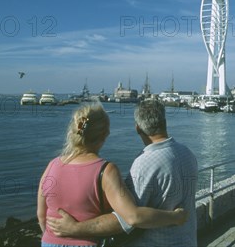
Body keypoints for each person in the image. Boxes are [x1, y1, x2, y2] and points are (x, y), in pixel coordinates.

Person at [46, 100, 198, 247]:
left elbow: (128, 218)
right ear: (164, 122)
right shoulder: (187, 153)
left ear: (137, 128)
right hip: (187, 240)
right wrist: (176, 217)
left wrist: (75, 228)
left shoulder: (144, 163)